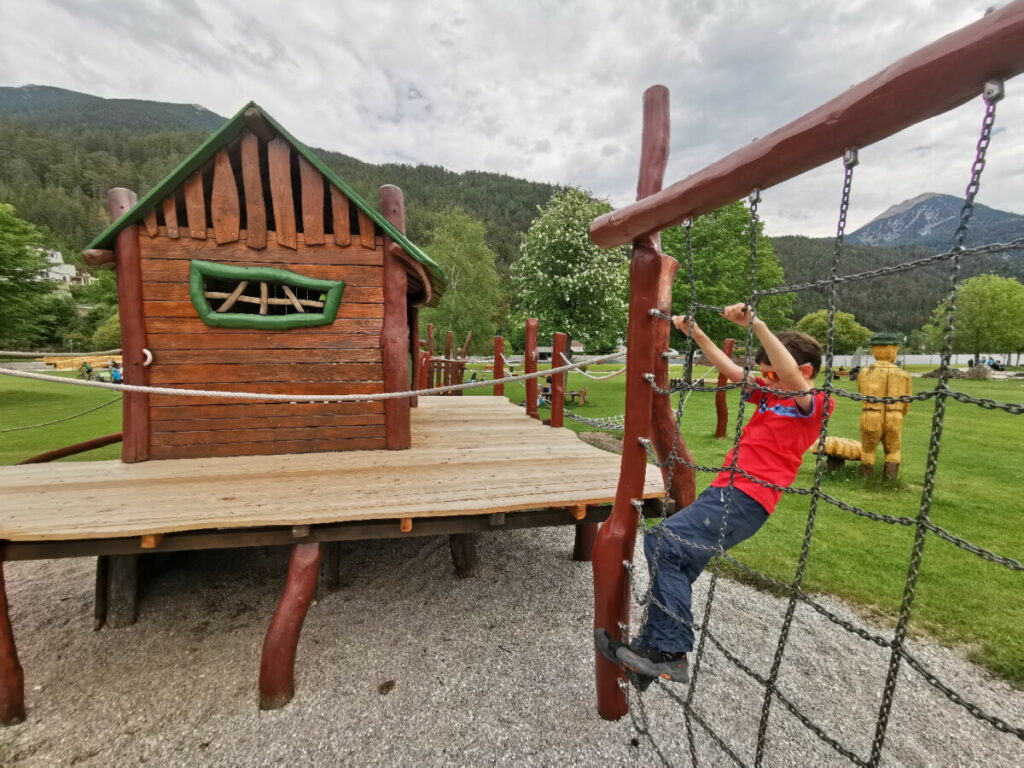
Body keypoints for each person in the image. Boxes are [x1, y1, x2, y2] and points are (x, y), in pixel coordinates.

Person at [596, 303, 833, 688]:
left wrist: (758, 324)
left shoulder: (813, 404)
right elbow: (732, 370)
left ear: (804, 372)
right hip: (730, 491)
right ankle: (651, 656)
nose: (766, 378)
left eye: (771, 372)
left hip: (748, 498)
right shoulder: (771, 395)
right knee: (678, 564)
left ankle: (670, 651)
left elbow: (788, 374)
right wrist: (696, 334)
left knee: (663, 542)